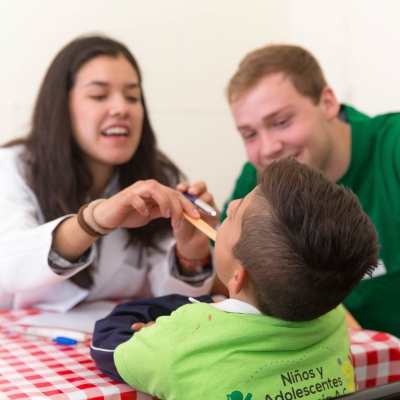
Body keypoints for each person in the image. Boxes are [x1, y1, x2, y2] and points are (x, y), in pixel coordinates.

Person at [90, 158, 379, 400]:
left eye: (235, 215)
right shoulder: (332, 317)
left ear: (239, 277)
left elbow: (106, 342)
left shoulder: (181, 341)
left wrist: (170, 327)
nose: (230, 205)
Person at [0, 35, 218, 312]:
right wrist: (94, 219)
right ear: (61, 108)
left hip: (113, 340)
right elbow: (7, 264)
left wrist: (191, 252)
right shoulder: (12, 168)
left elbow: (171, 300)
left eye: (132, 97)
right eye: (99, 96)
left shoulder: (158, 177)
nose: (121, 109)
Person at [222, 44, 400, 337]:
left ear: (328, 102)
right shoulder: (255, 181)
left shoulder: (392, 147)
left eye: (281, 122)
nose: (268, 149)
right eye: (249, 134)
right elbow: (229, 277)